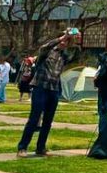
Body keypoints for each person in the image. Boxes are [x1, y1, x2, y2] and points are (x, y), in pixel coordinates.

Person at [16, 29, 82, 157]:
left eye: (67, 41)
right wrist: (63, 37)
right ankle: (22, 147)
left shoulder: (64, 55)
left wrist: (77, 42)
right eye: (64, 40)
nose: (65, 43)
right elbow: (44, 47)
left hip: (54, 89)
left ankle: (40, 148)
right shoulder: (46, 53)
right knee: (34, 119)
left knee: (48, 120)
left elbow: (76, 57)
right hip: (40, 87)